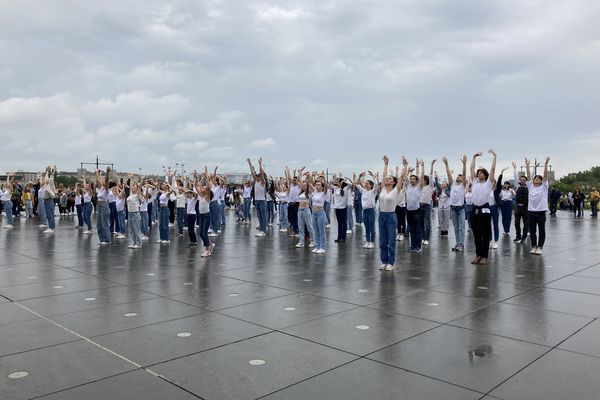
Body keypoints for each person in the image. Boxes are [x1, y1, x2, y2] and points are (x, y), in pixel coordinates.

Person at [377, 155, 407, 271]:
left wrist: (405, 167)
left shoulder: (396, 190)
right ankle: (384, 261)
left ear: (394, 182)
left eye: (390, 179)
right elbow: (384, 175)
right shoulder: (383, 189)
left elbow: (401, 178)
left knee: (391, 241)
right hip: (382, 215)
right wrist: (385, 164)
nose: (387, 179)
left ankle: (391, 262)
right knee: (383, 241)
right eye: (387, 179)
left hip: (391, 216)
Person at [469, 149, 497, 265]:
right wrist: (474, 157)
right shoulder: (474, 182)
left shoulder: (488, 184)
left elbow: (493, 170)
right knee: (476, 234)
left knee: (485, 234)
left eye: (481, 172)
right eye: (478, 172)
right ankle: (478, 255)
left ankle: (484, 256)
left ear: (485, 175)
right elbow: (471, 169)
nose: (479, 173)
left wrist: (494, 156)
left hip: (485, 208)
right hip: (475, 208)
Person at [442, 155, 467, 252]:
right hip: (453, 208)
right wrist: (446, 164)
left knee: (461, 227)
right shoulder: (452, 184)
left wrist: (464, 164)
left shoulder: (463, 185)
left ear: (463, 178)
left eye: (460, 177)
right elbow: (448, 174)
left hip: (460, 208)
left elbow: (464, 173)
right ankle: (457, 243)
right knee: (456, 227)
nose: (458, 177)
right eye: (458, 176)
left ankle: (461, 244)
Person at [525, 157, 550, 255]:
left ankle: (540, 247)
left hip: (541, 212)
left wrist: (546, 165)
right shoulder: (530, 186)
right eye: (535, 178)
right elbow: (528, 176)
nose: (536, 180)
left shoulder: (544, 187)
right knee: (532, 231)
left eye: (538, 179)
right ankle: (534, 246)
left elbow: (545, 176)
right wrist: (527, 165)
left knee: (541, 230)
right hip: (531, 211)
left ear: (541, 181)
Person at [406, 158, 425, 252]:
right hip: (408, 211)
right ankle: (413, 245)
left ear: (416, 181)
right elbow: (404, 178)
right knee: (411, 229)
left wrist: (422, 166)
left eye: (413, 179)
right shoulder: (408, 187)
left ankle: (418, 246)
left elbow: (421, 177)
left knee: (417, 229)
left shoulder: (419, 187)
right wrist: (407, 169)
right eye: (411, 179)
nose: (412, 180)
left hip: (416, 211)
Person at [356, 171, 377, 249]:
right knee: (366, 227)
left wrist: (373, 177)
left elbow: (376, 185)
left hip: (371, 211)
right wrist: (359, 177)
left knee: (371, 227)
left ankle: (372, 242)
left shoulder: (373, 191)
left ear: (371, 185)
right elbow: (357, 185)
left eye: (367, 183)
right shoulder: (363, 191)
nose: (365, 184)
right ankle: (367, 241)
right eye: (366, 183)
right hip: (364, 211)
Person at [247, 158, 268, 237]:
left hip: (262, 201)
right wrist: (250, 163)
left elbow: (262, 174)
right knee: (259, 216)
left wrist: (260, 164)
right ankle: (261, 229)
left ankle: (263, 230)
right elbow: (253, 173)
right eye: (257, 176)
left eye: (258, 176)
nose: (257, 177)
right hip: (257, 201)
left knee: (263, 216)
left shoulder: (263, 182)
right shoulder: (256, 182)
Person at [308, 172, 327, 254]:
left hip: (320, 213)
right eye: (317, 184)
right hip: (314, 213)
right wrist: (309, 175)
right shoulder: (315, 192)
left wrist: (324, 178)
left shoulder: (323, 193)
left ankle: (322, 247)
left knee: (321, 231)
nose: (317, 186)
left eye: (319, 185)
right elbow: (309, 183)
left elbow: (326, 186)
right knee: (316, 231)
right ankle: (317, 246)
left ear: (322, 187)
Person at [420, 159, 436, 245]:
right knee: (421, 223)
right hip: (420, 206)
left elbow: (430, 176)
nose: (421, 180)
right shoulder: (420, 187)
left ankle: (427, 239)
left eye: (422, 179)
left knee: (427, 223)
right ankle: (422, 238)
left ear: (425, 180)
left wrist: (431, 165)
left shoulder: (430, 186)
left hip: (426, 206)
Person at [513, 162, 528, 244]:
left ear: (526, 181)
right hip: (518, 207)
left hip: (526, 208)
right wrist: (514, 168)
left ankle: (524, 237)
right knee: (516, 223)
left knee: (526, 224)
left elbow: (530, 176)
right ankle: (518, 236)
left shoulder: (529, 187)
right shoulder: (517, 186)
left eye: (524, 180)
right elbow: (515, 177)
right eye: (521, 179)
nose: (522, 181)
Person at [95, 167, 111, 244]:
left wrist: (107, 172)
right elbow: (98, 179)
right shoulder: (101, 188)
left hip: (104, 206)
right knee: (99, 224)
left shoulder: (106, 189)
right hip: (99, 206)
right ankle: (102, 239)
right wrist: (97, 172)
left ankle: (107, 240)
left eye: (104, 180)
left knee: (104, 224)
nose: (102, 180)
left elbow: (107, 180)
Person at [127, 181, 143, 249]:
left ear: (136, 189)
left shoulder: (137, 195)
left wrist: (141, 181)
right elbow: (131, 185)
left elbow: (139, 188)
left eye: (134, 187)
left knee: (136, 230)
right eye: (132, 187)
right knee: (131, 230)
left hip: (135, 214)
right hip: (130, 213)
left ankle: (138, 243)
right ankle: (133, 242)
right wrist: (130, 178)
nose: (133, 188)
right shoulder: (131, 194)